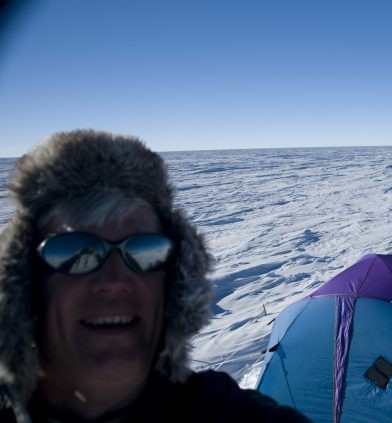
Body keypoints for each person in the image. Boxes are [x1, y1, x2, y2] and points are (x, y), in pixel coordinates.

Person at [0, 130, 311, 422]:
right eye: (74, 252)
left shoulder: (223, 412)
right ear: (25, 282)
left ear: (173, 284)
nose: (115, 281)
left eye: (145, 252)